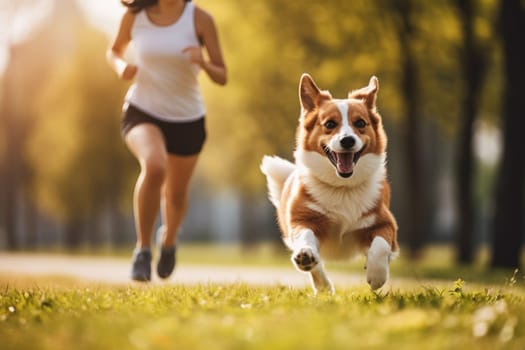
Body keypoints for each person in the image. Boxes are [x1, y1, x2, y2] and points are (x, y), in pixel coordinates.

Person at [107, 0, 227, 281]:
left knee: (175, 195)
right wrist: (120, 66)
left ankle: (169, 241)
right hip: (142, 110)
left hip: (187, 120)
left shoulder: (200, 19)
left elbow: (223, 75)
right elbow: (113, 50)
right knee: (155, 165)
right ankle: (143, 251)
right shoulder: (135, 15)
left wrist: (204, 63)